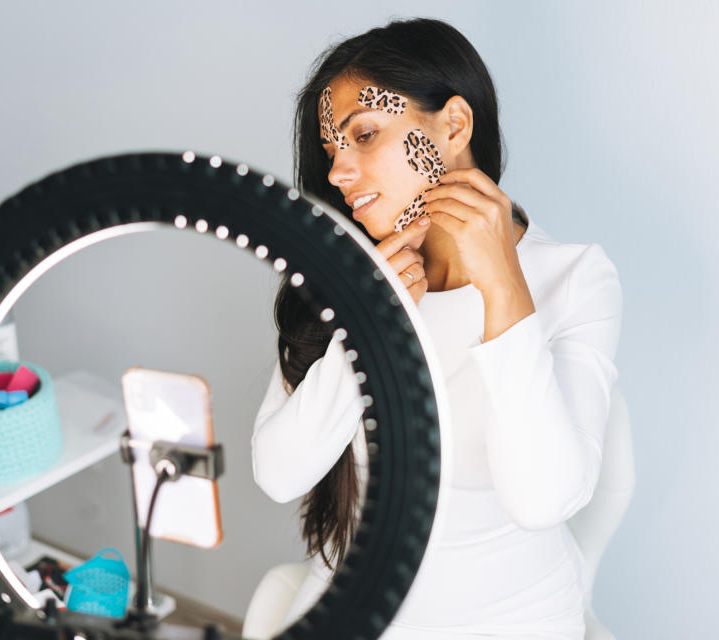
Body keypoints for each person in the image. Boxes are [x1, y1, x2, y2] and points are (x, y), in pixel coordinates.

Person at [251, 17, 622, 640]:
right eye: (332, 151)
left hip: (508, 621)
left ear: (453, 126)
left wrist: (504, 286)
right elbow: (279, 474)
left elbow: (543, 499)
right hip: (352, 601)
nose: (339, 174)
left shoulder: (575, 277)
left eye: (363, 135)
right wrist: (370, 320)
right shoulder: (353, 278)